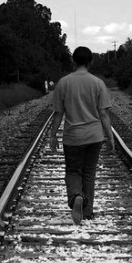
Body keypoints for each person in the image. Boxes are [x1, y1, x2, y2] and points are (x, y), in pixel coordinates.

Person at [48, 46, 114, 225]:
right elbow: (104, 114)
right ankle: (88, 211)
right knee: (89, 172)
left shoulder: (63, 83)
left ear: (73, 61)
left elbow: (58, 114)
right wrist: (110, 136)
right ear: (90, 62)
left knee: (73, 171)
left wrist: (52, 136)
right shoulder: (98, 83)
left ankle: (76, 195)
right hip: (94, 136)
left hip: (73, 137)